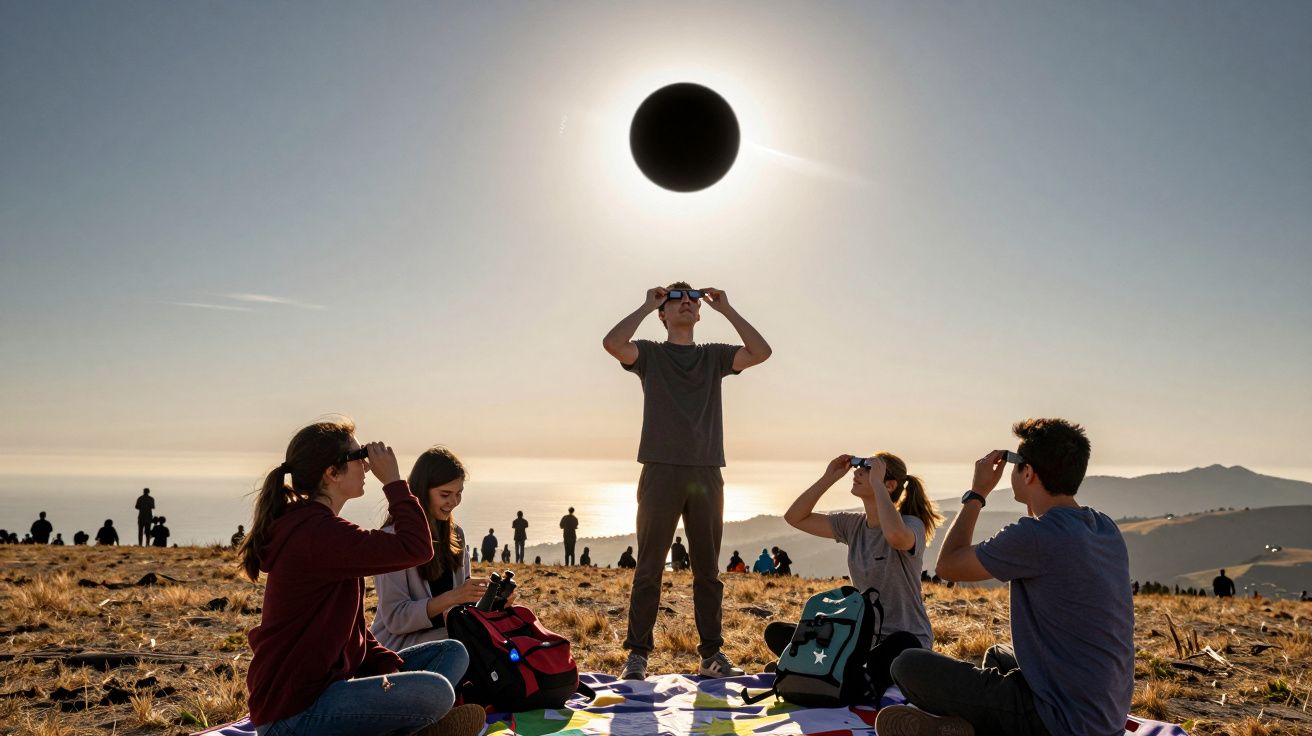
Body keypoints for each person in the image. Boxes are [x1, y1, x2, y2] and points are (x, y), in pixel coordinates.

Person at [879, 418, 1134, 736]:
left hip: (1059, 721)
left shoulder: (1037, 536)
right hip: (1104, 712)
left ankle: (980, 728)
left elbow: (948, 566)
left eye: (1016, 465)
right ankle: (971, 724)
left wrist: (977, 493)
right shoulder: (1103, 525)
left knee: (907, 665)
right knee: (998, 655)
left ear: (1028, 473)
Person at [239, 420, 483, 736]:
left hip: (324, 691)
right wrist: (394, 481)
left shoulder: (320, 529)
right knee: (436, 692)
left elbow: (352, 629)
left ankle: (409, 726)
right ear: (332, 473)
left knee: (450, 653)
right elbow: (416, 547)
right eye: (359, 456)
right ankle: (415, 727)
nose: (366, 466)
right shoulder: (317, 535)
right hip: (294, 714)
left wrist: (390, 670)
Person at [603, 282, 771, 680]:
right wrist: (647, 304)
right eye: (676, 300)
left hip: (706, 470)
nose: (685, 304)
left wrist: (727, 309)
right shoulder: (651, 354)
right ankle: (638, 656)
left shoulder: (713, 356)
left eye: (691, 300)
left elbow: (761, 353)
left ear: (700, 311)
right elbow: (612, 342)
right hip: (660, 469)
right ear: (663, 313)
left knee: (708, 571)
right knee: (649, 568)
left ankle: (712, 655)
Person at [774, 451, 944, 697]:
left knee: (899, 649)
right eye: (859, 468)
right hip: (859, 637)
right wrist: (828, 478)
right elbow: (795, 517)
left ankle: (826, 673)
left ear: (889, 484)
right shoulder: (853, 525)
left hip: (907, 640)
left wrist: (877, 485)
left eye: (867, 469)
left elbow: (896, 538)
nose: (857, 472)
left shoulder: (910, 523)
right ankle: (845, 673)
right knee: (779, 632)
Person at [372, 446, 497, 653]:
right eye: (445, 494)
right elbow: (396, 619)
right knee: (476, 644)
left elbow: (462, 603)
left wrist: (492, 598)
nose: (453, 502)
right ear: (422, 492)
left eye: (458, 494)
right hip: (400, 647)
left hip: (449, 636)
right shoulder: (392, 539)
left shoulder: (456, 534)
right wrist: (452, 597)